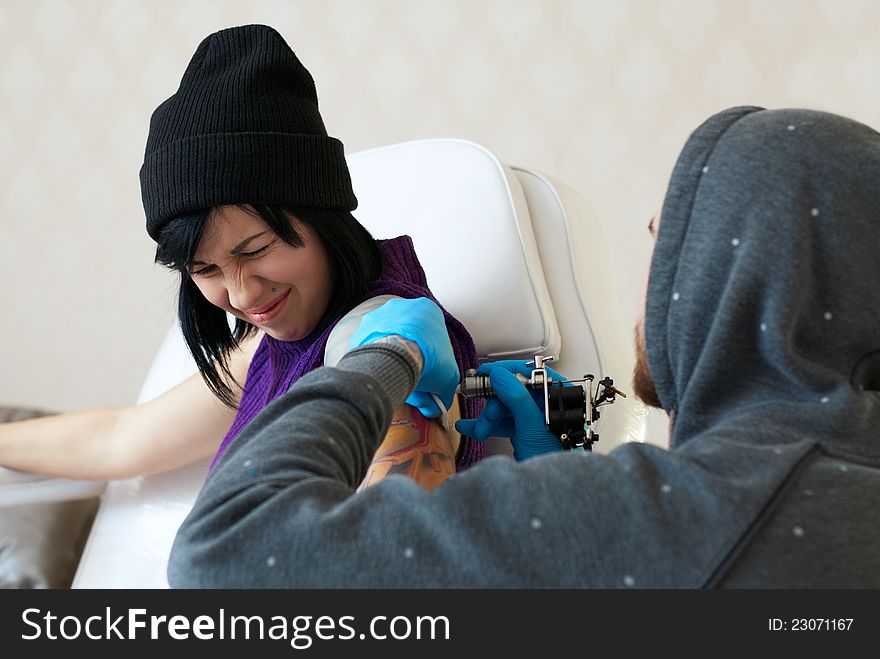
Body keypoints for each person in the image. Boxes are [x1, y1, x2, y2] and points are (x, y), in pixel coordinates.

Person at [168, 106, 880, 588]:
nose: (649, 279)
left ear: (735, 274)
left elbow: (228, 556)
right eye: (203, 269)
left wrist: (381, 361)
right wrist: (554, 472)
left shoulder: (707, 510)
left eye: (664, 241)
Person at [0, 24, 485, 492]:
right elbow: (122, 440)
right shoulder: (279, 339)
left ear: (322, 216)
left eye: (256, 250)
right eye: (205, 270)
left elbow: (402, 546)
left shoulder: (375, 340)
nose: (242, 293)